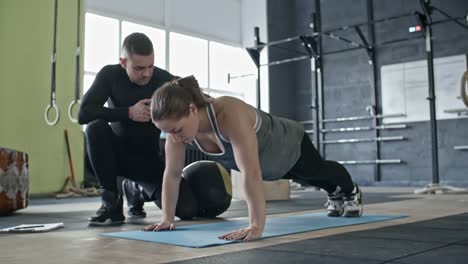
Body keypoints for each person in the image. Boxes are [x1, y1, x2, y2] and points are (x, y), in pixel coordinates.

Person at [143, 75, 363, 242]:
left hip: (288, 144)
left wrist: (256, 226)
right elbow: (172, 176)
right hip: (270, 166)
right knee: (308, 179)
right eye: (166, 132)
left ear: (191, 109)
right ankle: (334, 192)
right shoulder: (177, 134)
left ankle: (349, 190)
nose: (173, 137)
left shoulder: (228, 113)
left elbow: (250, 172)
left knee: (316, 173)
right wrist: (167, 219)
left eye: (176, 129)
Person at [78, 33, 198, 226]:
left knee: (187, 210)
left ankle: (135, 189)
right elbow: (83, 114)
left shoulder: (163, 79)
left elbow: (196, 99)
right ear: (123, 62)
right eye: (139, 68)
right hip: (115, 157)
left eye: (150, 66)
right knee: (94, 128)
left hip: (147, 161)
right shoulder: (110, 75)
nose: (147, 73)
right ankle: (111, 202)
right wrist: (128, 113)